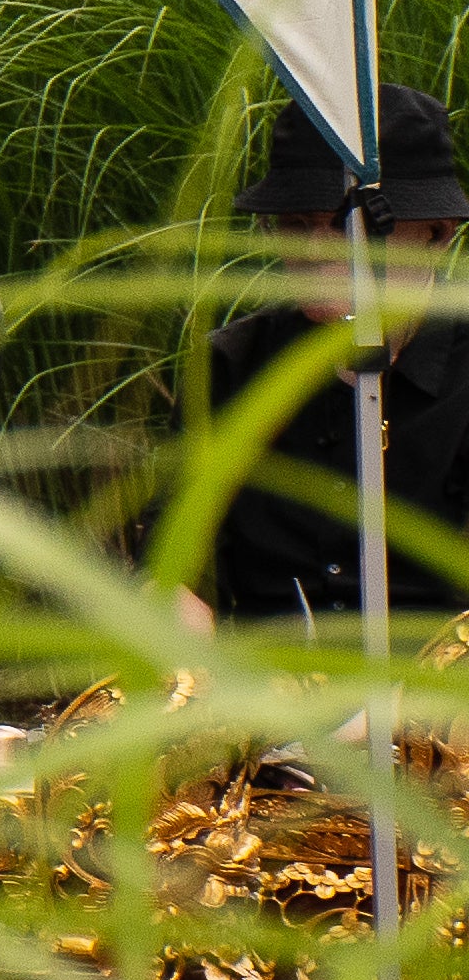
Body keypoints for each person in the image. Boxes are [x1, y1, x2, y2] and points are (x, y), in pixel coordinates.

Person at [198, 90, 469, 621]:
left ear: (437, 236)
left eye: (353, 230)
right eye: (297, 227)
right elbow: (177, 570)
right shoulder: (231, 364)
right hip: (267, 684)